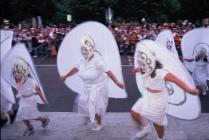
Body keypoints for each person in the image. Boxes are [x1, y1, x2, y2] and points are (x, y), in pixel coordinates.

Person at [131, 48, 199, 140]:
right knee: (134, 112)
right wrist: (135, 71)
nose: (142, 65)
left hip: (159, 98)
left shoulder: (161, 72)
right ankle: (146, 129)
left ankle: (160, 138)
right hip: (147, 96)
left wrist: (190, 90)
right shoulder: (143, 68)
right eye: (141, 62)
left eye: (144, 62)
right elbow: (136, 70)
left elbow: (177, 81)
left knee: (157, 121)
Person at [61, 35, 125, 131]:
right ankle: (90, 116)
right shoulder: (82, 59)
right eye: (82, 49)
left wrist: (117, 83)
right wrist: (65, 76)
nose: (83, 52)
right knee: (83, 101)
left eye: (85, 50)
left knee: (95, 106)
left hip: (98, 87)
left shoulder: (97, 59)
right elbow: (75, 69)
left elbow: (108, 71)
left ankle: (99, 124)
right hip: (87, 86)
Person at [13, 58, 50, 136]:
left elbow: (38, 91)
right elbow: (20, 89)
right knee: (22, 115)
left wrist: (44, 100)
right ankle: (30, 128)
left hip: (30, 100)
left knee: (32, 115)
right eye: (15, 73)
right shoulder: (18, 81)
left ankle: (44, 120)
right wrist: (19, 94)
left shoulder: (31, 81)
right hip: (23, 100)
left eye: (18, 72)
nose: (16, 74)